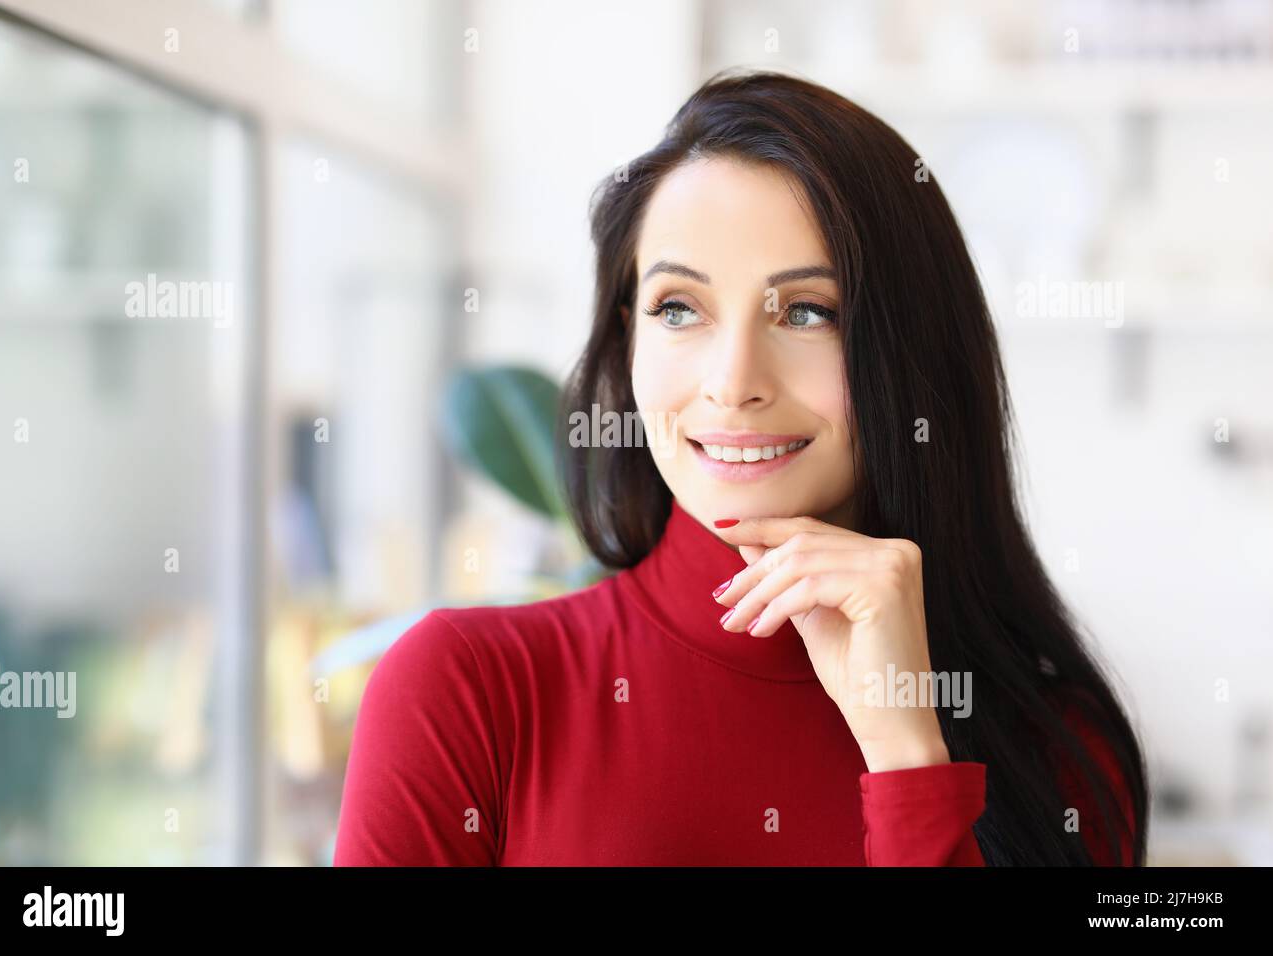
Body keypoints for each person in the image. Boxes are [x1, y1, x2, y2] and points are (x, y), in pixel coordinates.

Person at [334, 68, 1147, 866]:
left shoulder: (1058, 748)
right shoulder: (465, 690)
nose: (732, 383)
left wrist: (907, 755)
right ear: (629, 340)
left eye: (805, 312)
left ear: (913, 351)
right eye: (679, 308)